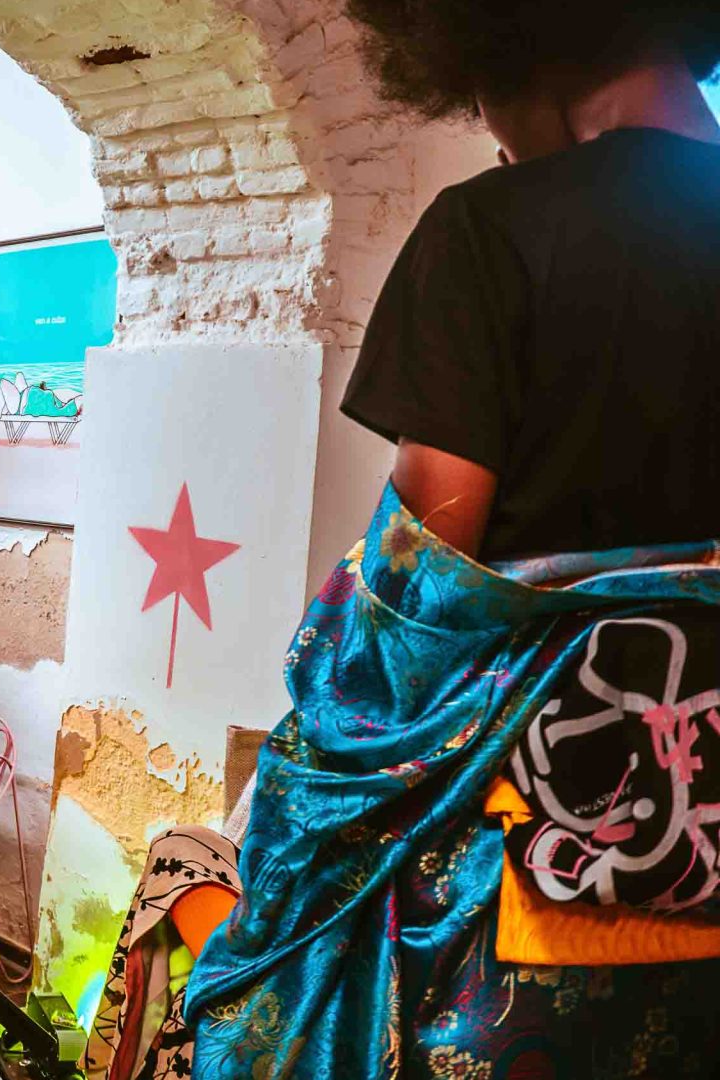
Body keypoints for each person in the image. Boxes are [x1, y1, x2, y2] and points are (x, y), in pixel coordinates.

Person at [184, 5, 720, 1077]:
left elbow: (436, 543)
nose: (487, 126)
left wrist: (330, 709)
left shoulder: (496, 225)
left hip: (541, 825)